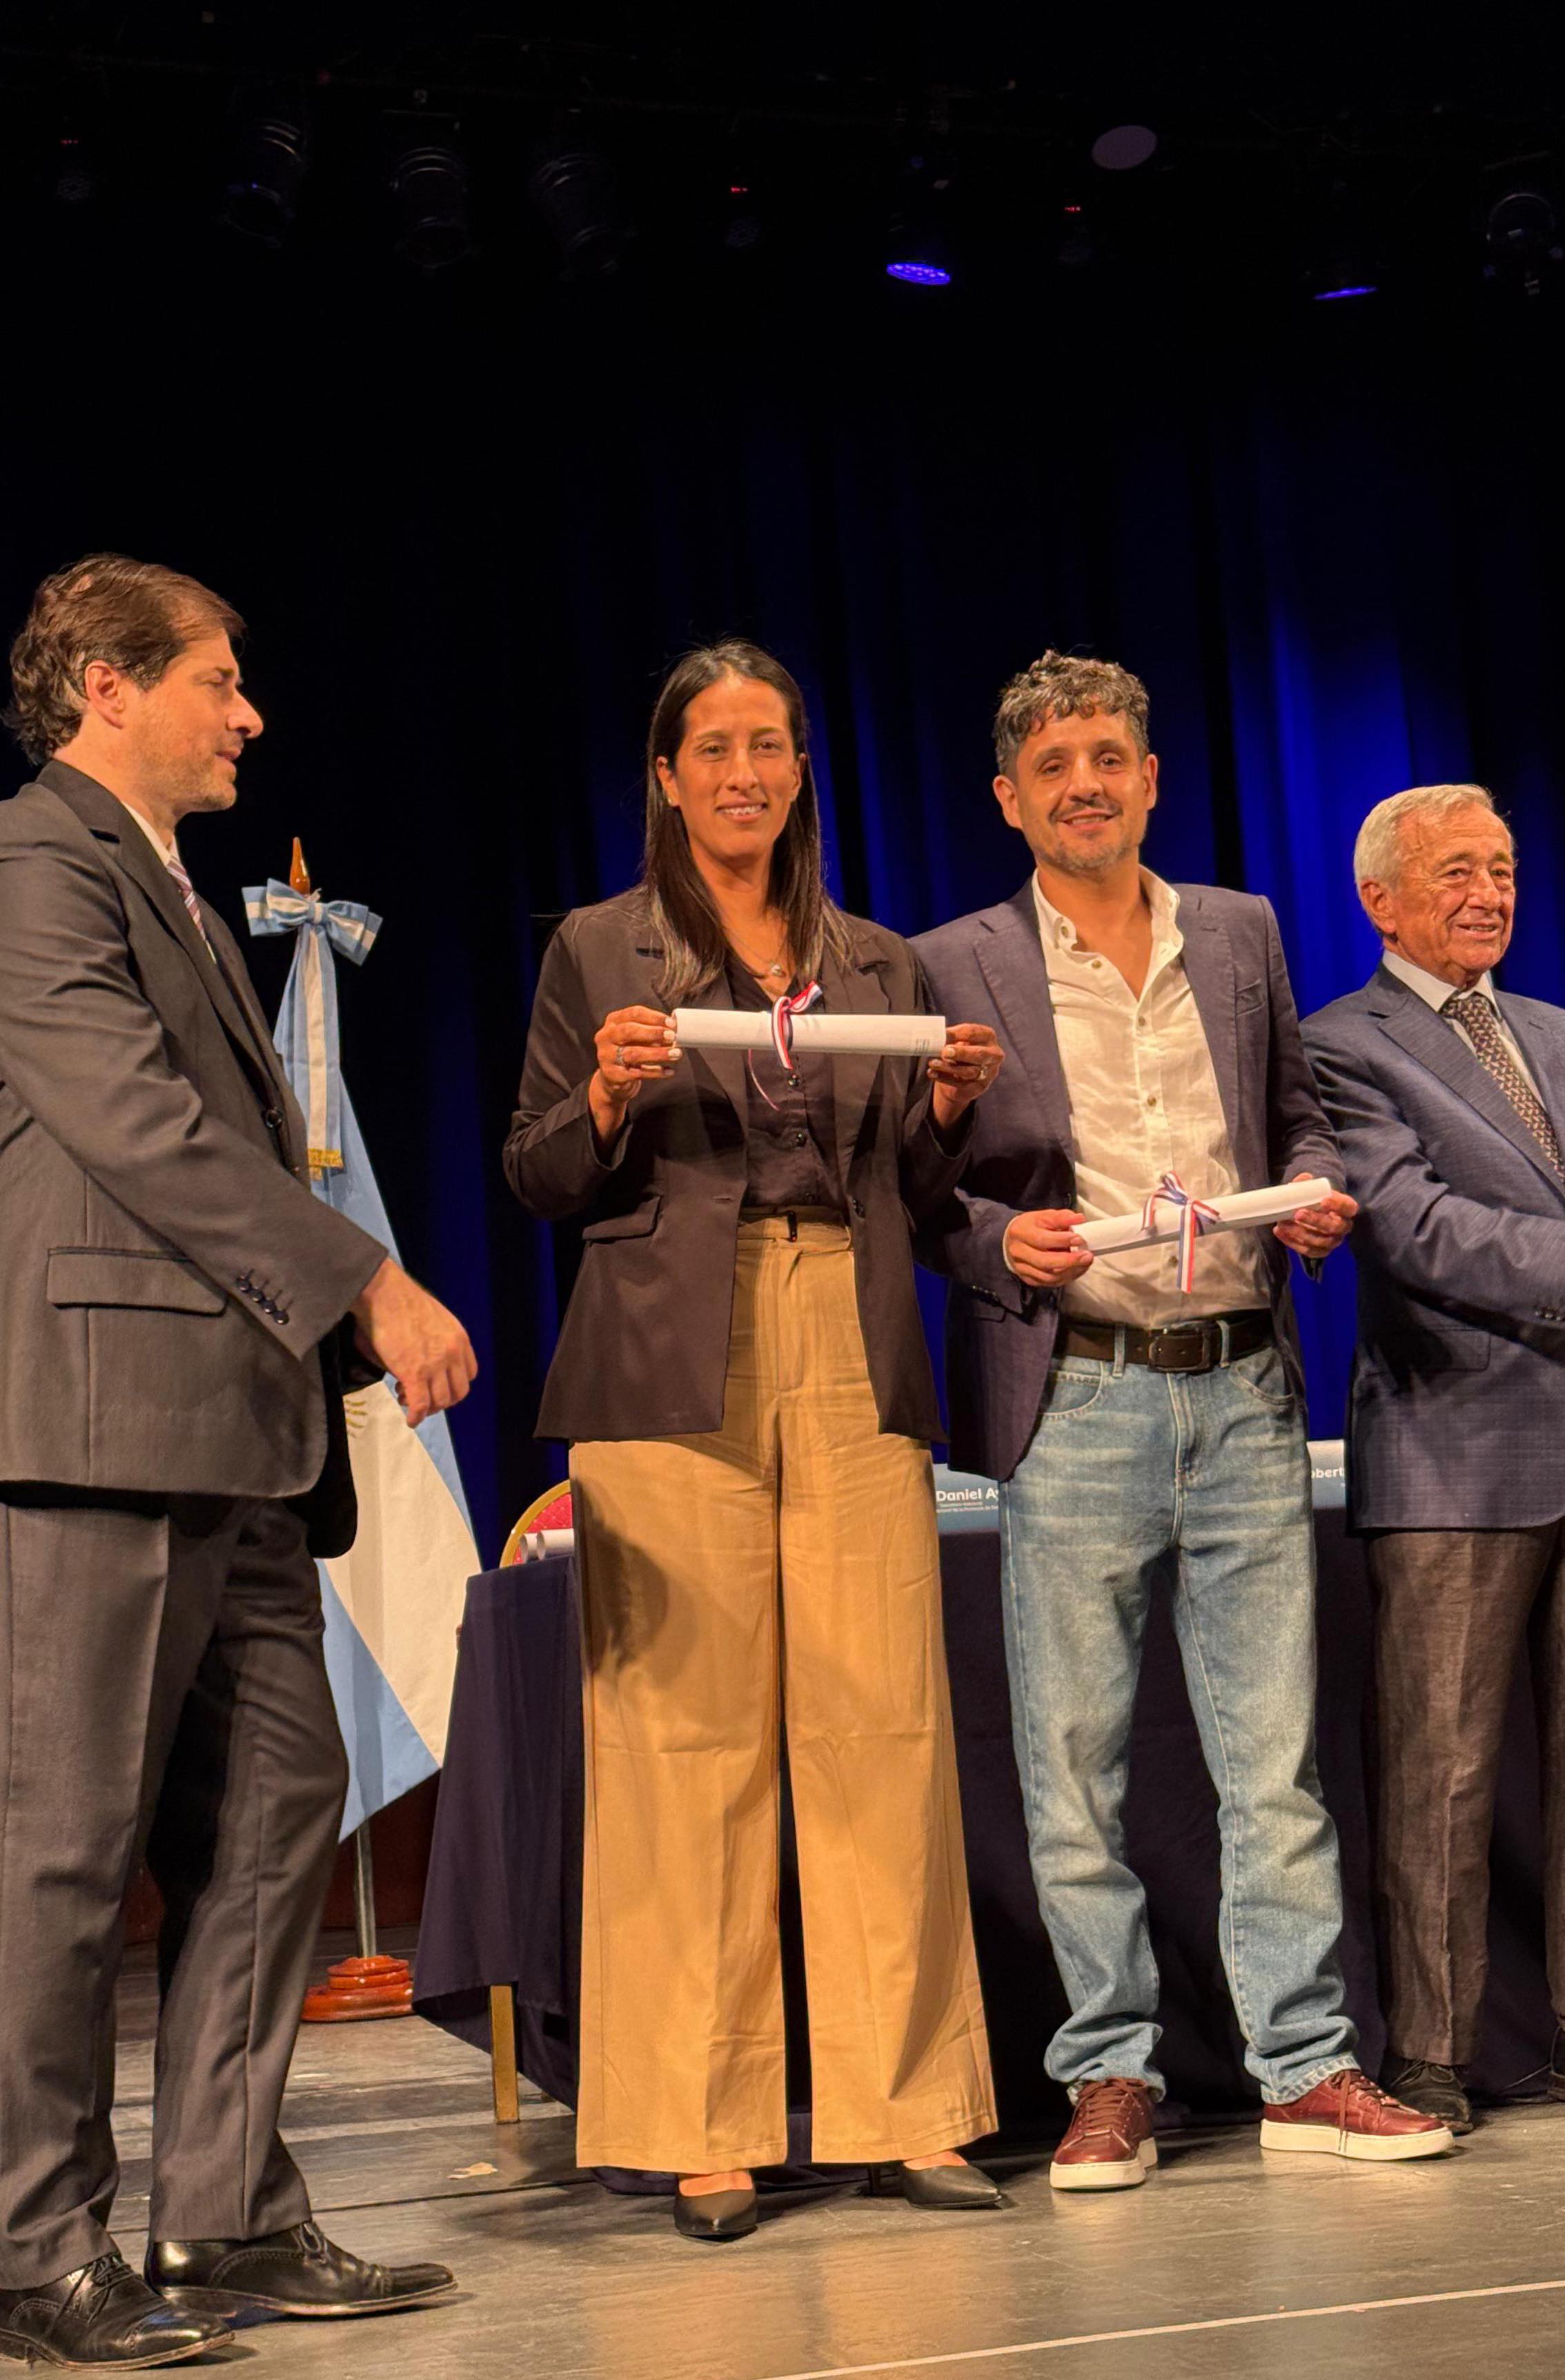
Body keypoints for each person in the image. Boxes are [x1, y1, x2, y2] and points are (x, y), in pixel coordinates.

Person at [0, 554, 477, 2370]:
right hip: (97, 1432)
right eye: (218, 679)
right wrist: (359, 1278)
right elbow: (131, 1123)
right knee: (63, 1853)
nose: (249, 712)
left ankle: (222, 2215)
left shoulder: (179, 891)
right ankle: (35, 2244)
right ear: (108, 689)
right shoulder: (35, 860)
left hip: (243, 1443)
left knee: (282, 1807)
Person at [912, 650, 1455, 2185]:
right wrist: (979, 1241)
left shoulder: (1236, 929)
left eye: (1111, 756)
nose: (1086, 782)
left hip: (1241, 1381)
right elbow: (912, 1182)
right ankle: (1110, 2075)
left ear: (1150, 778)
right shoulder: (955, 960)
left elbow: (1294, 1106)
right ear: (1009, 797)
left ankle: (1303, 2067)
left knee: (1268, 1755)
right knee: (1071, 1762)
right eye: (1055, 764)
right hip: (1076, 1393)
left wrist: (1314, 1191)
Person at [505, 638, 1005, 2241]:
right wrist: (601, 1100)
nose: (743, 773)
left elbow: (925, 1213)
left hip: (846, 1338)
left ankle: (907, 2108)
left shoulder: (876, 960)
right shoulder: (602, 947)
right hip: (669, 1358)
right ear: (666, 775)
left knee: (881, 1724)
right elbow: (535, 1174)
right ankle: (702, 2127)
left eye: (770, 746)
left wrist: (942, 1124)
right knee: (683, 1750)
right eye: (712, 747)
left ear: (801, 771)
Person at [1303, 783, 1565, 2135]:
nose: (1488, 893)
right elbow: (1412, 1227)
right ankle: (1434, 2057)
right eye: (1457, 871)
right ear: (1382, 900)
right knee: (1441, 1772)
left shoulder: (1552, 1033)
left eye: (1504, 869)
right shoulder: (1343, 1045)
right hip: (1453, 1442)